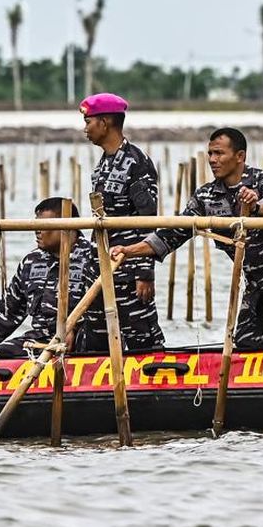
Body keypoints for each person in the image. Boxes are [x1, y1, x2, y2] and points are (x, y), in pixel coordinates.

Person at [110, 127, 263, 348]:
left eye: (219, 153)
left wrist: (253, 206)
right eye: (210, 153)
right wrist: (128, 251)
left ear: (239, 156)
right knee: (246, 338)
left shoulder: (262, 180)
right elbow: (170, 235)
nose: (212, 159)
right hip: (257, 280)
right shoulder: (206, 196)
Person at [80, 92, 165, 352]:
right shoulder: (102, 165)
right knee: (97, 338)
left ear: (105, 123)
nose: (85, 129)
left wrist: (144, 273)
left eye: (89, 122)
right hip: (101, 267)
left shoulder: (137, 163)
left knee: (143, 338)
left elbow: (147, 220)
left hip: (128, 269)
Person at [0, 198, 103, 357]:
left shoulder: (94, 257)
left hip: (85, 337)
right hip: (42, 337)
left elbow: (103, 305)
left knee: (90, 341)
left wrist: (74, 327)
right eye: (36, 225)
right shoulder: (31, 261)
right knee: (2, 352)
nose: (37, 231)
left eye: (44, 226)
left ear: (68, 228)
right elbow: (10, 307)